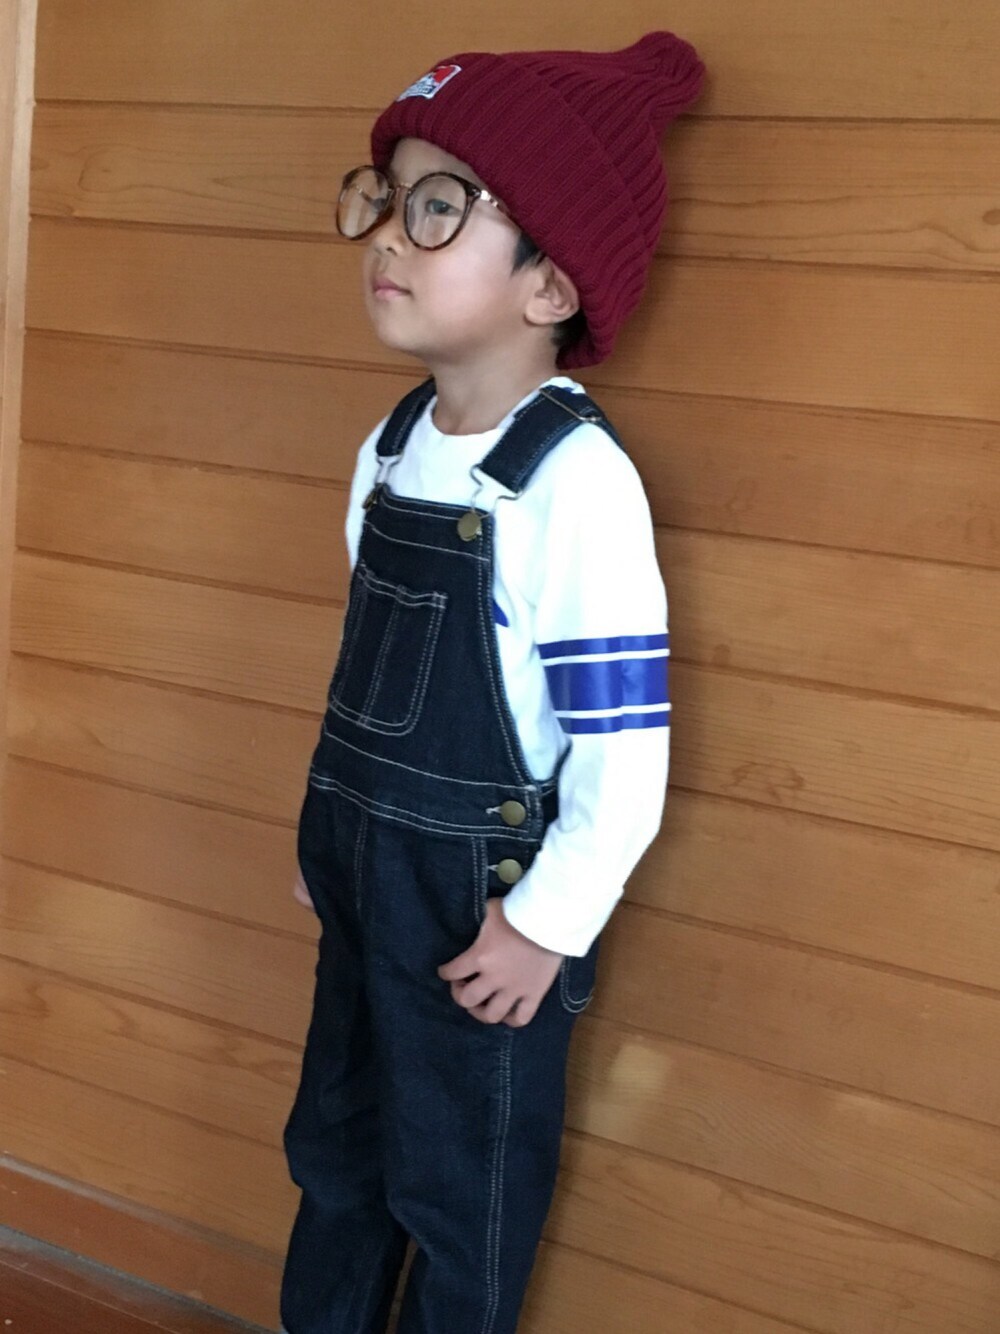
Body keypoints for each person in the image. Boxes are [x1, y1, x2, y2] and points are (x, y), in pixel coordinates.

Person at [280, 32, 706, 1334]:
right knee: (336, 1150)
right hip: (363, 876)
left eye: (438, 207)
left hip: (480, 914)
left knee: (460, 1189)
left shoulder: (574, 485)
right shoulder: (392, 448)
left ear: (550, 281)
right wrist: (334, 837)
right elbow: (369, 670)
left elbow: (623, 746)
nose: (387, 237)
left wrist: (549, 922)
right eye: (384, 199)